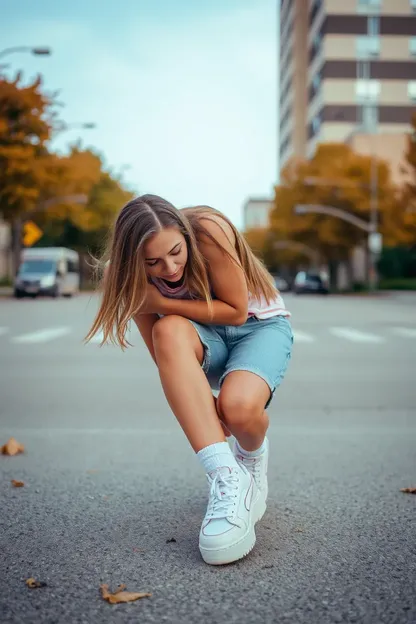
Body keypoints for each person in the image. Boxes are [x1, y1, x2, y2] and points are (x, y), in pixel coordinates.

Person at [86, 194, 293, 566]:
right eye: (153, 262)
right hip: (198, 338)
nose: (169, 268)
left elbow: (235, 311)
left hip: (258, 328)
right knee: (168, 332)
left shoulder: (208, 230)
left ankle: (252, 457)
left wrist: (161, 302)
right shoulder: (124, 273)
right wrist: (201, 405)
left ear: (184, 234)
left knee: (238, 412)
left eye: (177, 252)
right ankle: (228, 479)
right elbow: (162, 348)